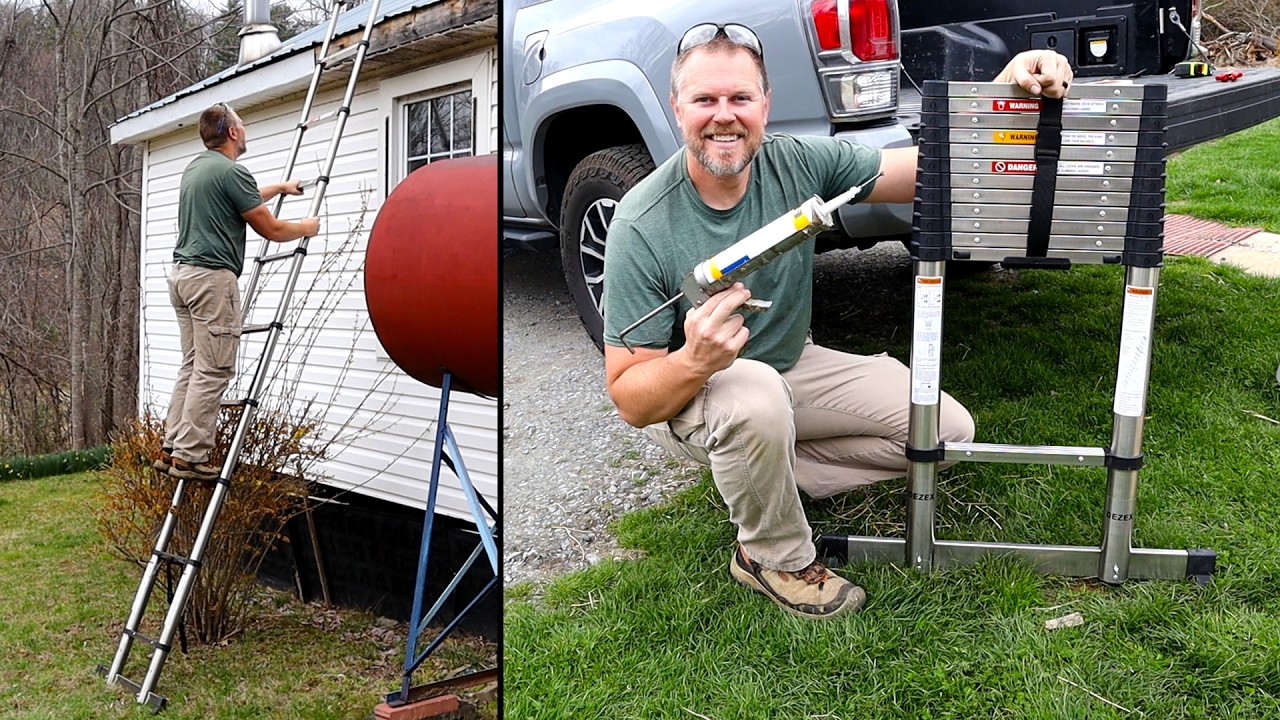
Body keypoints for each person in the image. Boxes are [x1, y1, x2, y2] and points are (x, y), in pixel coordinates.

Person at [601, 23, 1074, 619]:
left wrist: (1008, 88)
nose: (724, 116)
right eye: (705, 100)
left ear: (765, 105)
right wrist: (695, 360)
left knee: (946, 433)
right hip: (697, 389)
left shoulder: (797, 162)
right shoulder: (641, 222)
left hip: (791, 364)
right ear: (677, 108)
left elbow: (928, 167)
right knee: (752, 395)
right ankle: (772, 557)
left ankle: (763, 469)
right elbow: (631, 400)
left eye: (740, 98)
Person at [152, 102, 321, 482]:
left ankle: (171, 447)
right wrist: (306, 227)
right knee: (214, 368)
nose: (245, 130)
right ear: (232, 133)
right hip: (211, 281)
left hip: (182, 278)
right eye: (241, 125)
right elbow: (271, 230)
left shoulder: (197, 168)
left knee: (193, 364)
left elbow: (243, 197)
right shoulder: (231, 171)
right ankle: (190, 456)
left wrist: (280, 187)